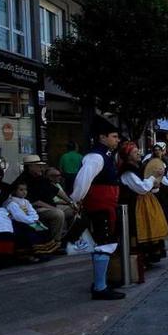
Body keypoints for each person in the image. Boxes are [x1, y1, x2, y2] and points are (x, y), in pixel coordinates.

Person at [70, 117, 125, 300]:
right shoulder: (95, 157)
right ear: (102, 137)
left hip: (106, 205)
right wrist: (76, 200)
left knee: (104, 242)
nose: (117, 140)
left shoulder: (105, 155)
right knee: (104, 243)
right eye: (114, 136)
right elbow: (82, 180)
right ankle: (100, 287)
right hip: (100, 206)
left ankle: (101, 284)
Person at [118, 142, 168, 265]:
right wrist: (153, 179)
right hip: (134, 205)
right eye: (135, 152)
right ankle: (140, 261)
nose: (139, 153)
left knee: (149, 227)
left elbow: (148, 185)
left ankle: (148, 258)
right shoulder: (127, 171)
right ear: (128, 155)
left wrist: (156, 182)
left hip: (144, 202)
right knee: (137, 230)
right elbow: (141, 188)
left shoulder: (137, 166)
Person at [14, 155, 68, 248]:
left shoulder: (41, 178)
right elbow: (35, 202)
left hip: (49, 205)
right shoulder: (23, 181)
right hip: (34, 209)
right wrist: (52, 207)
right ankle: (55, 242)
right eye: (38, 166)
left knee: (72, 210)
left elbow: (56, 190)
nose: (41, 168)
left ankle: (67, 238)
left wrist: (70, 201)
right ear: (30, 167)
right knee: (58, 213)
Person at [5, 182, 57, 261]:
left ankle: (44, 252)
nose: (24, 192)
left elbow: (32, 211)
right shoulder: (12, 203)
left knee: (43, 229)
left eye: (25, 189)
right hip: (19, 224)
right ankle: (31, 254)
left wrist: (34, 218)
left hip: (30, 221)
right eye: (21, 190)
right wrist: (31, 221)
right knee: (32, 233)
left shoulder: (26, 201)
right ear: (15, 191)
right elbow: (18, 217)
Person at [143, 142, 168, 228]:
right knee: (160, 207)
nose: (157, 152)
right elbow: (155, 175)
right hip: (157, 186)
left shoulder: (165, 160)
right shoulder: (150, 161)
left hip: (166, 188)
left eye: (159, 150)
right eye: (155, 150)